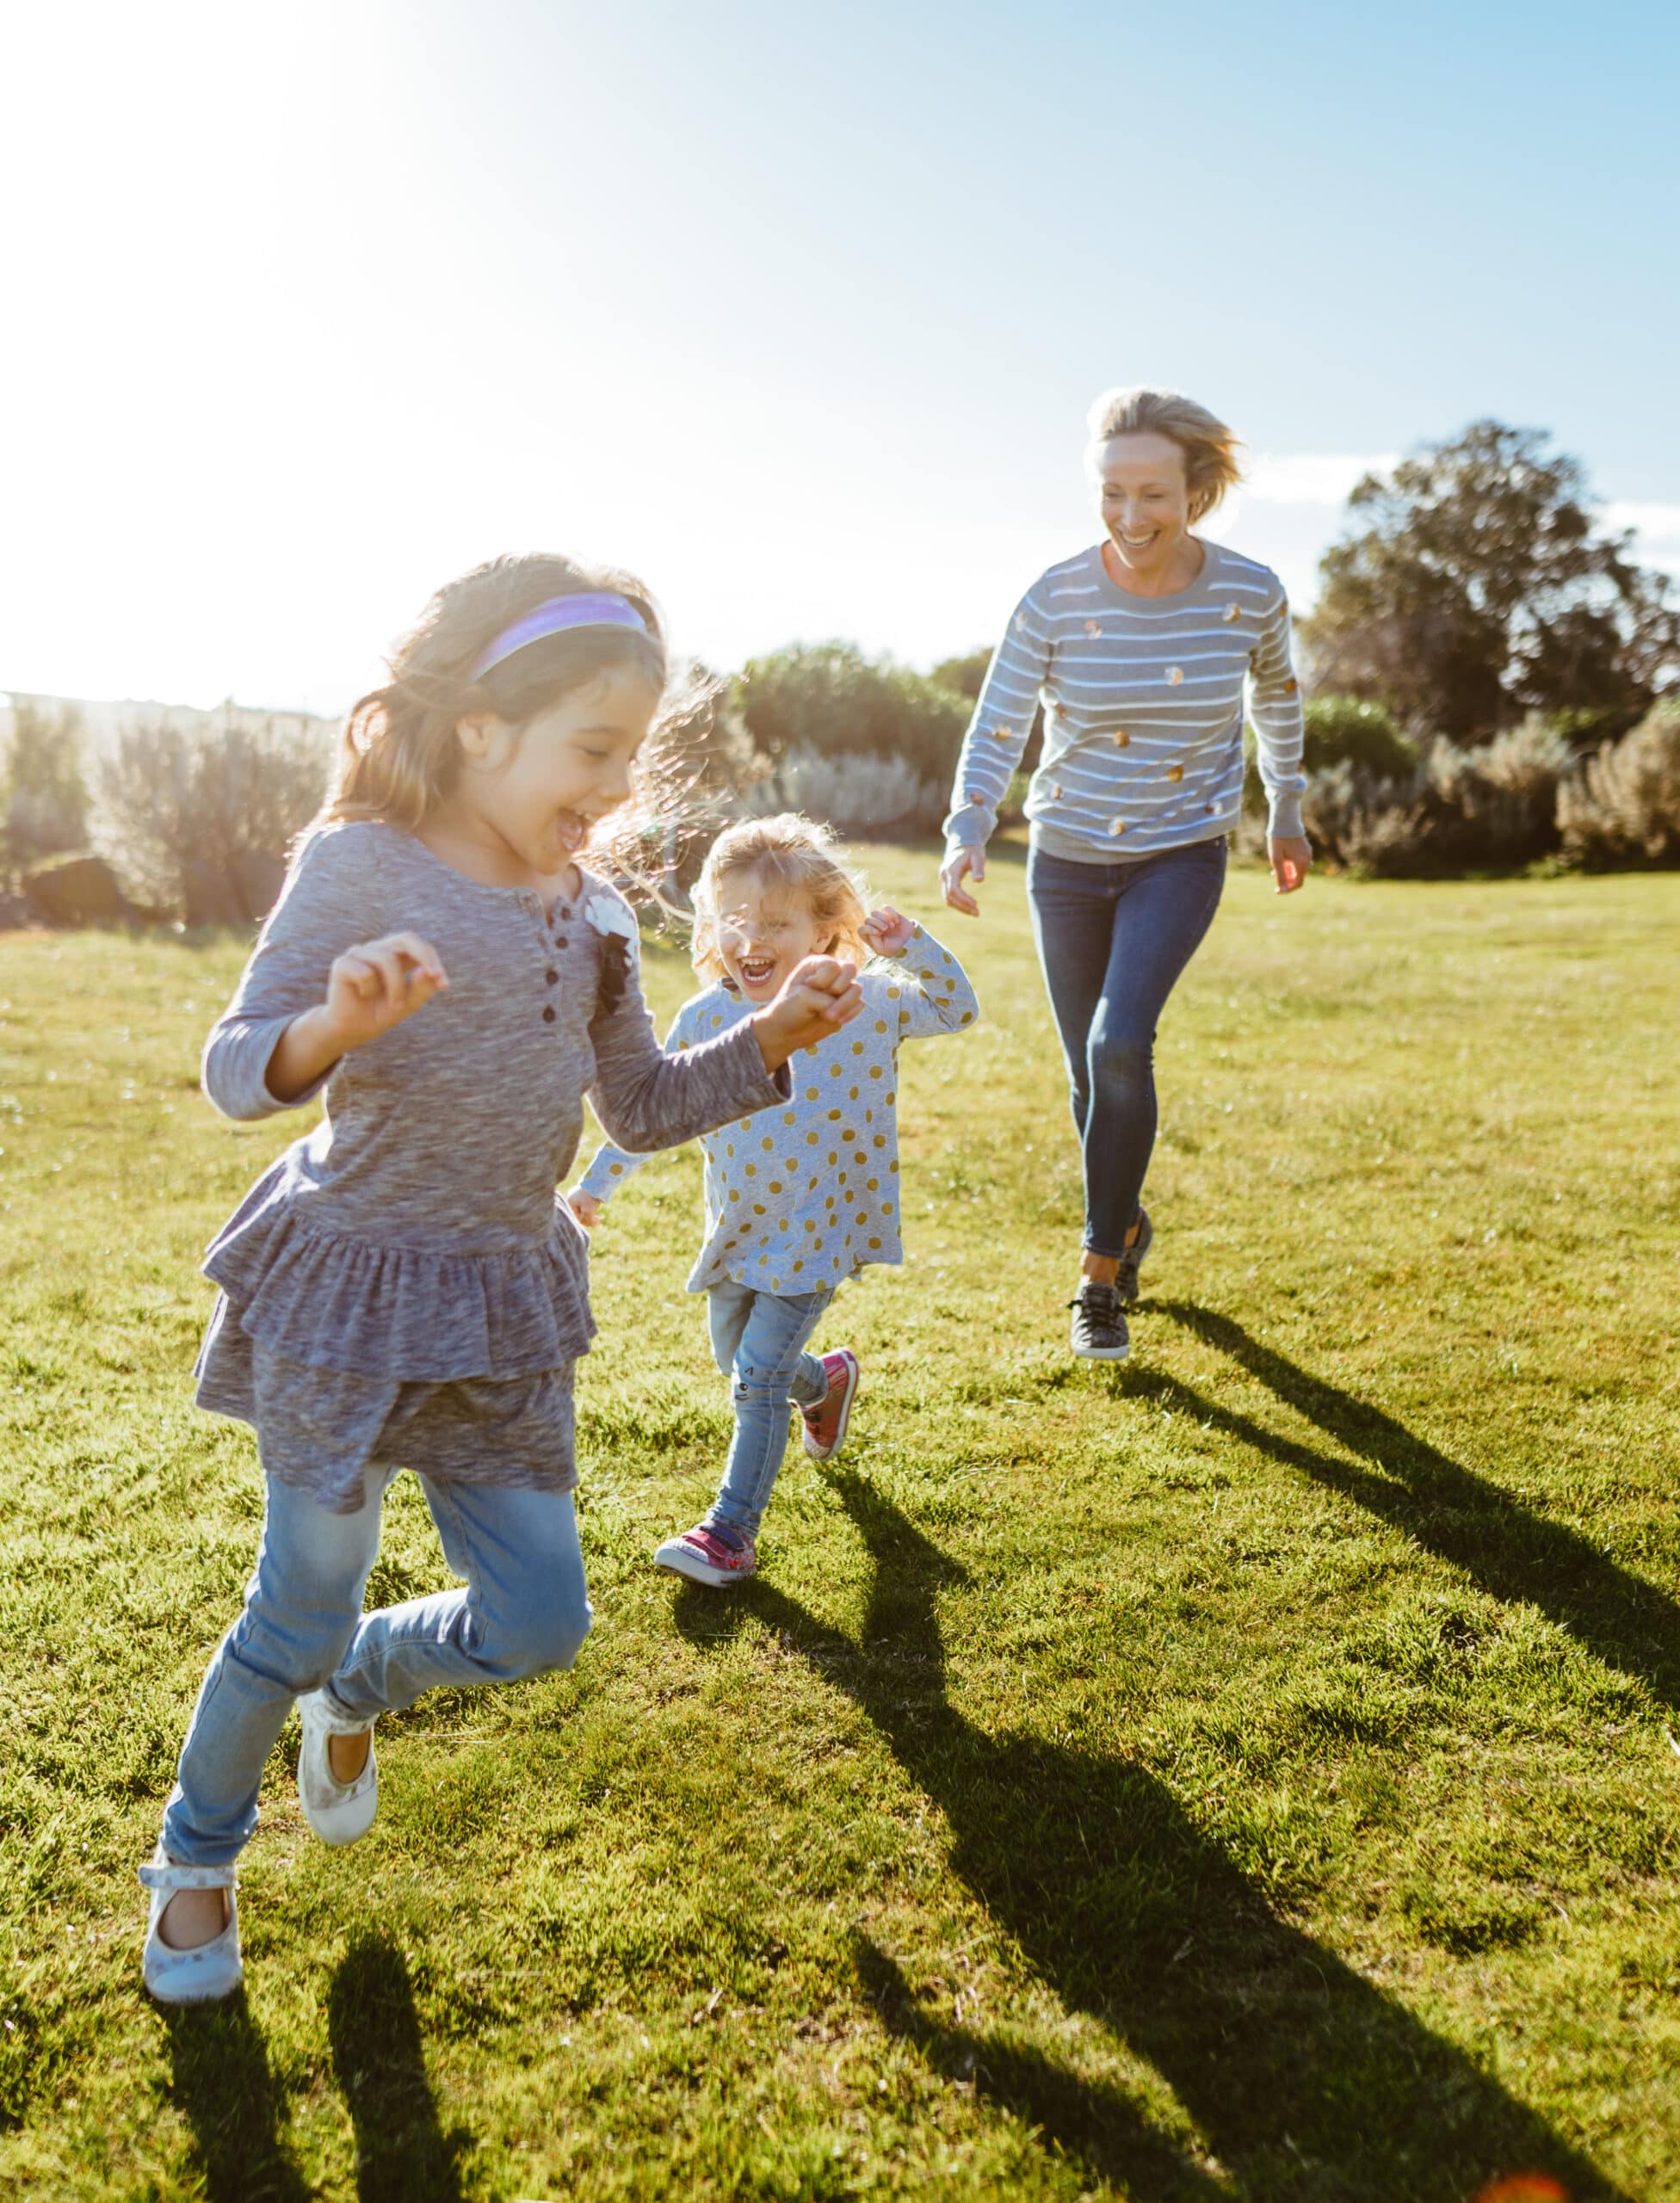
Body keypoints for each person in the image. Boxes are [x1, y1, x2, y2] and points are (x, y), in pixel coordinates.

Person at [139, 558, 863, 2003]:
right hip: (347, 1291)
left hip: (498, 1298)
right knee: (296, 1603)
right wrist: (333, 1025)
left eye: (628, 755)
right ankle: (197, 1864)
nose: (612, 785)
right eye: (591, 749)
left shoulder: (589, 915)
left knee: (539, 1623)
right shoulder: (358, 865)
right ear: (480, 729)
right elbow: (236, 1066)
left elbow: (643, 1106)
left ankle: (364, 1683)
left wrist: (773, 1037)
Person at [940, 386, 1311, 1363]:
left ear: (1194, 490)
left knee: (1118, 1043)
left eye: (1152, 494)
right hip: (1062, 858)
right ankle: (1130, 1223)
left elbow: (1276, 696)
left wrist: (1285, 806)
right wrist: (968, 826)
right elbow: (997, 722)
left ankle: (1097, 1276)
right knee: (1084, 1076)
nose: (1130, 517)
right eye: (1111, 493)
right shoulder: (1054, 596)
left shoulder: (1247, 592)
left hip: (1177, 851)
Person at [569, 815, 978, 1587]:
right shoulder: (706, 1017)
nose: (749, 938)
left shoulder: (868, 1001)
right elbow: (648, 1114)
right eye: (734, 920)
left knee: (754, 1378)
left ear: (827, 929)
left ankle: (729, 1533)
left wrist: (912, 947)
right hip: (740, 1229)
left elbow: (957, 1009)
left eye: (775, 923)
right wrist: (595, 1186)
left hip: (819, 1229)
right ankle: (824, 1382)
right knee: (744, 1363)